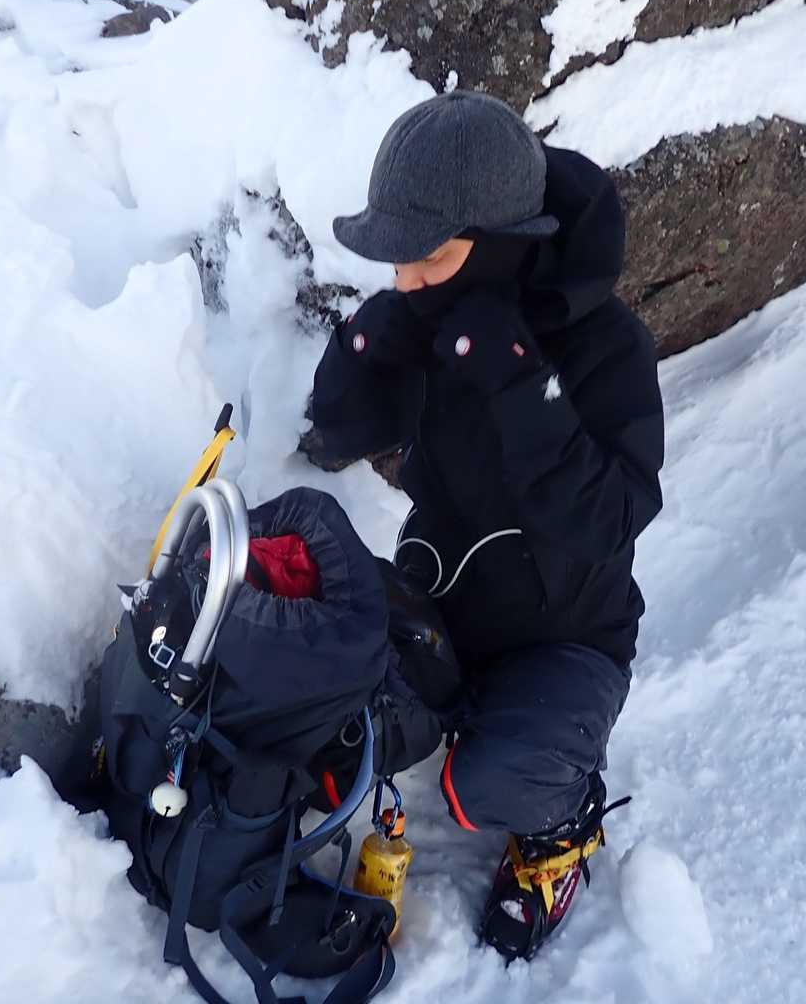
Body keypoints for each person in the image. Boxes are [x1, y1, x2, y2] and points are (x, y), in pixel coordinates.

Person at [306, 90, 665, 960]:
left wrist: (522, 386)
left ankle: (561, 829)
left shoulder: (608, 347)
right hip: (440, 610)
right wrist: (366, 347)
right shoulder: (435, 315)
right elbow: (336, 436)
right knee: (323, 713)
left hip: (566, 640)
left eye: (429, 257)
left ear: (505, 244)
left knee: (490, 784)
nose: (406, 281)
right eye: (397, 260)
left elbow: (612, 520)